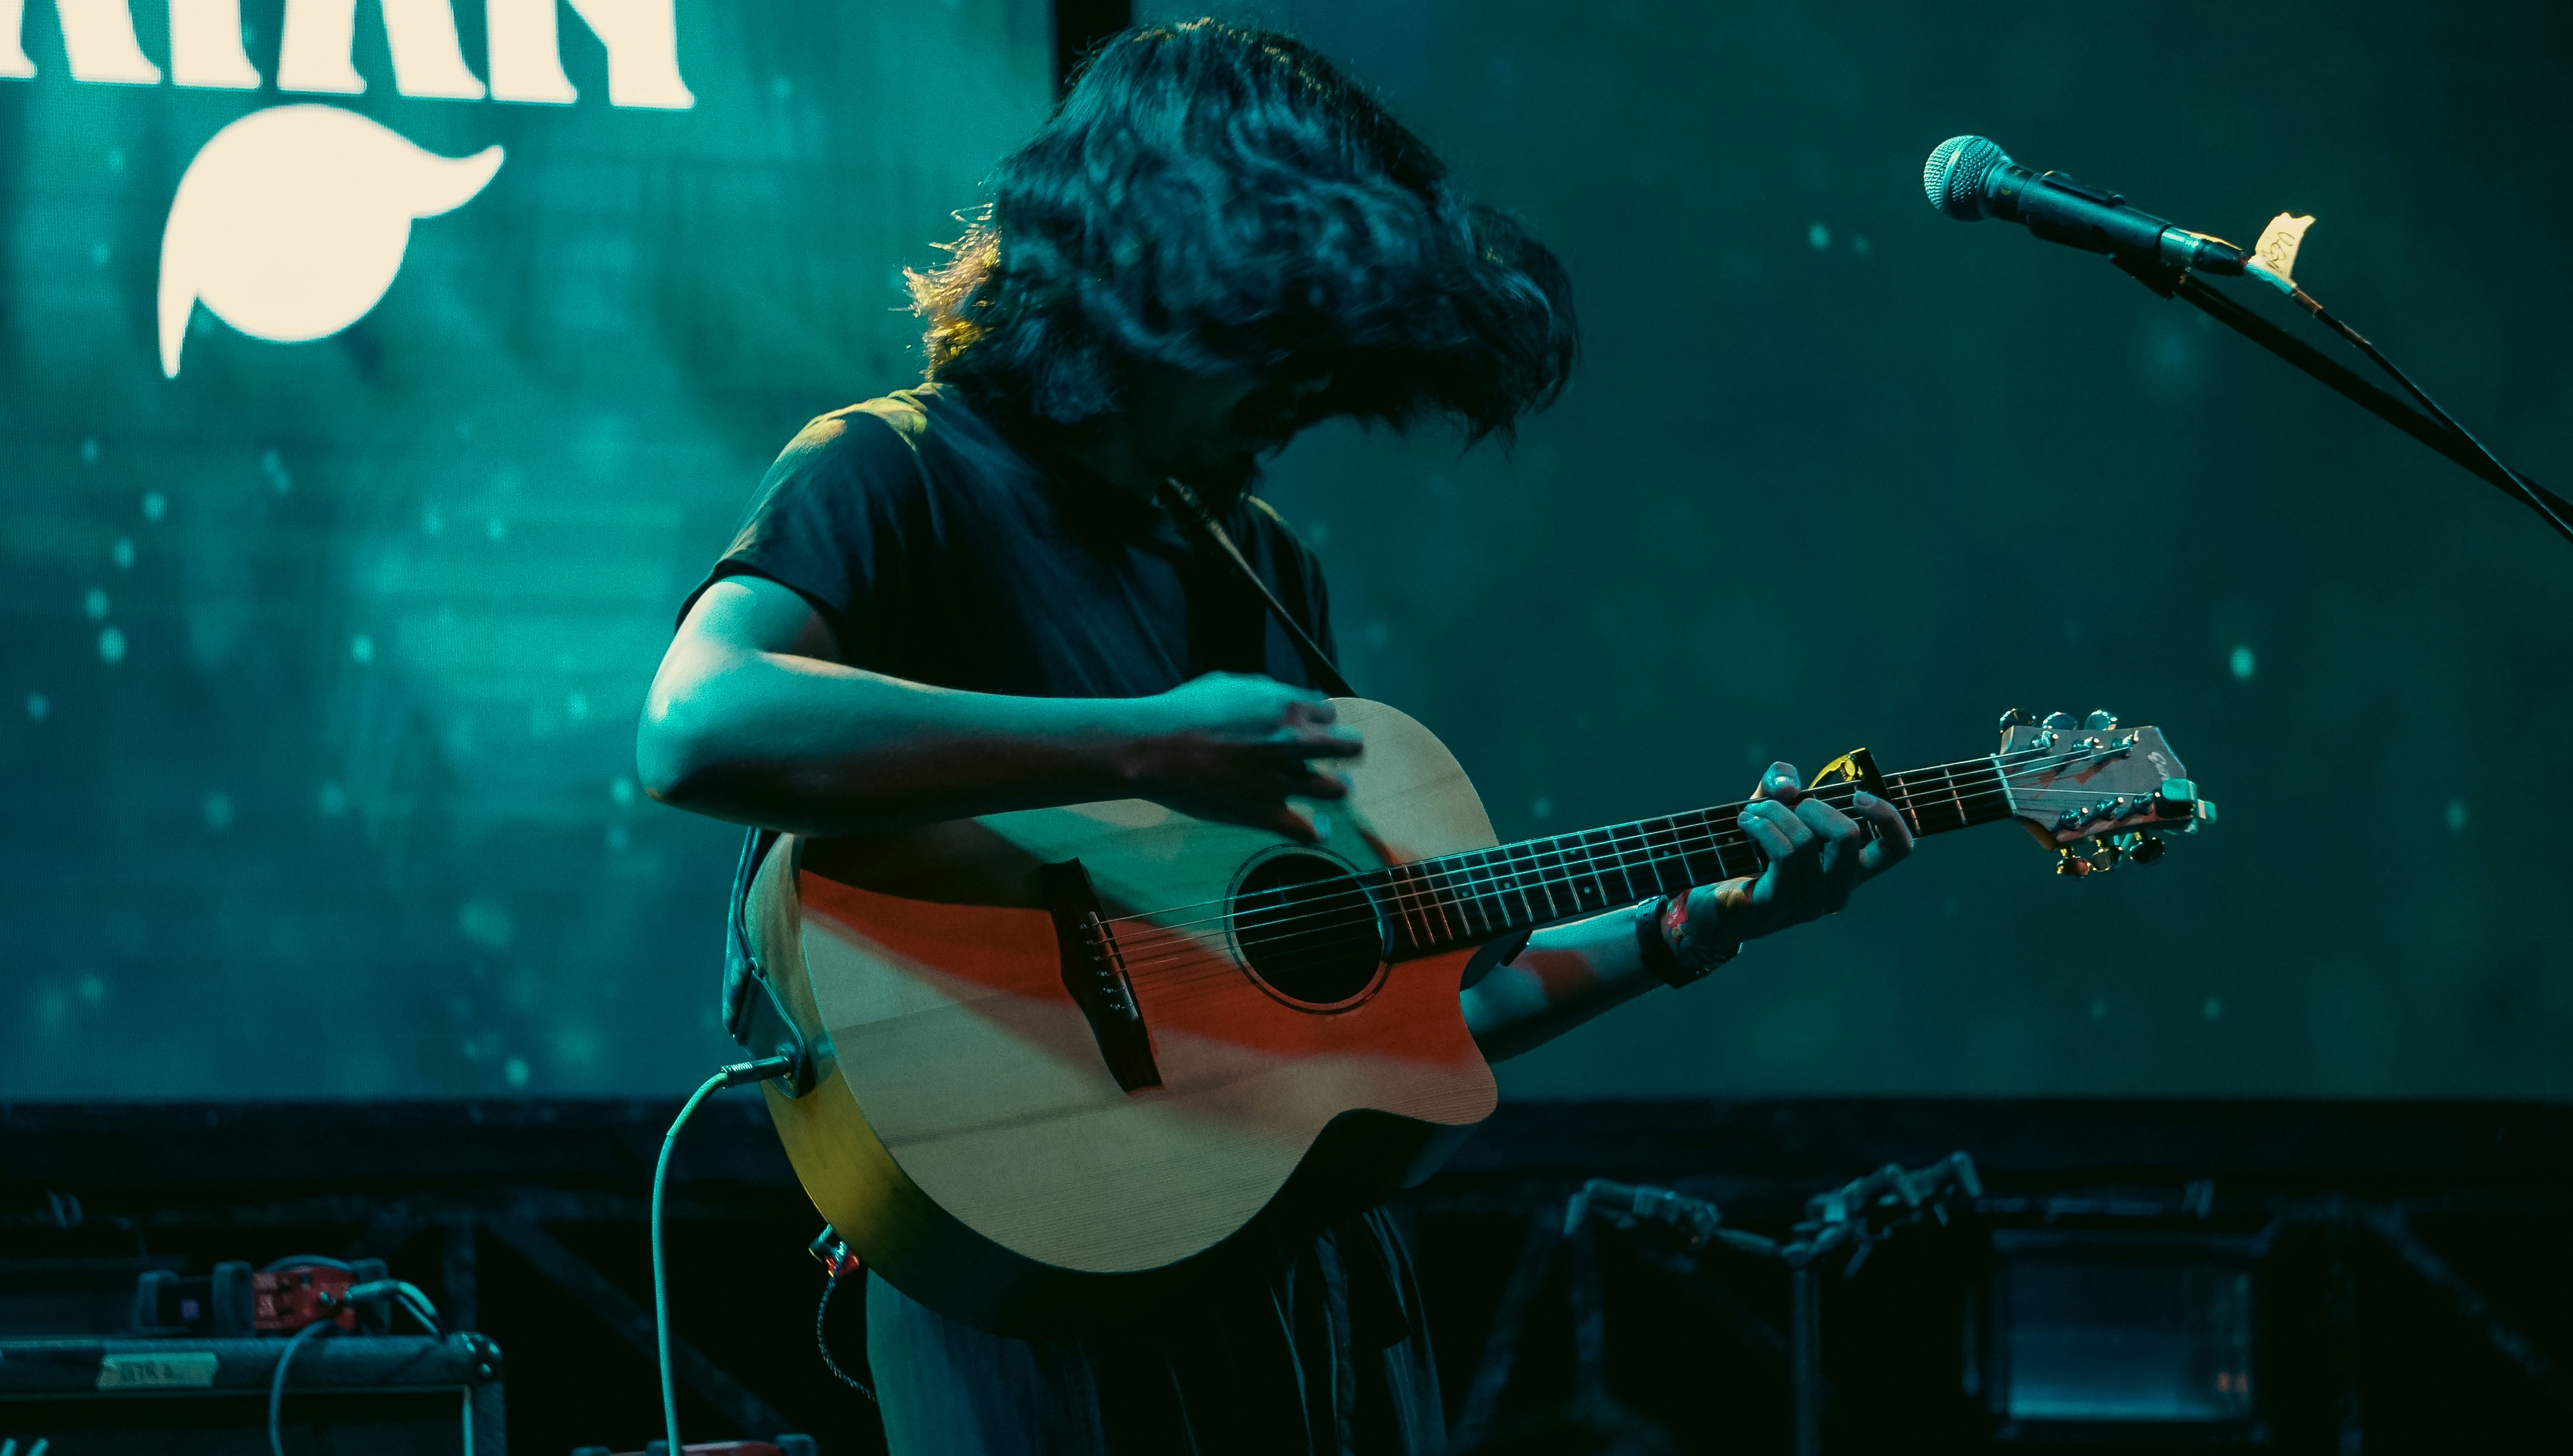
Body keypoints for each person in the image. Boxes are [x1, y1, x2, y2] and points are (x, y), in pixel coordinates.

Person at [637, 21, 1910, 1455]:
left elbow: (1361, 1034)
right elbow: (698, 726)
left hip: (1301, 1304)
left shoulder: (1255, 563)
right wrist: (1137, 747)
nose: (1306, 400)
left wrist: (1693, 928)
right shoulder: (896, 472)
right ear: (1160, 280)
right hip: (1022, 1315)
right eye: (1281, 346)